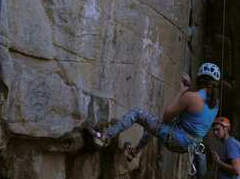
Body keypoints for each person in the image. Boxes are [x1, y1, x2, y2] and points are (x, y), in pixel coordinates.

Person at [90, 63, 220, 158]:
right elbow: (196, 115)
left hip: (176, 138)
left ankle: (105, 136)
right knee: (154, 125)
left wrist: (181, 91)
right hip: (189, 145)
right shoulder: (215, 104)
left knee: (137, 113)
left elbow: (167, 116)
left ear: (199, 79)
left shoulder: (191, 97)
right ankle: (133, 153)